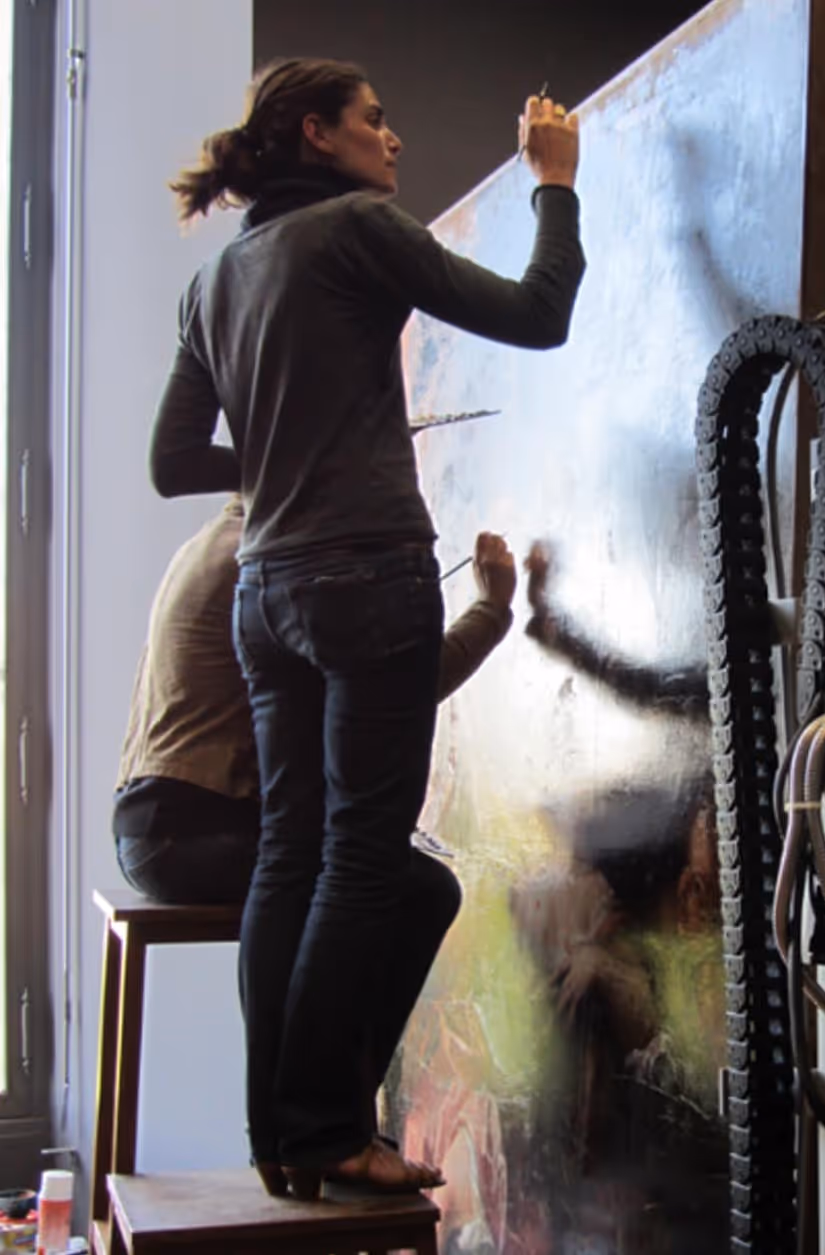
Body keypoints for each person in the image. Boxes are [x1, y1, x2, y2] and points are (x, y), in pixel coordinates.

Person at [150, 56, 584, 1198]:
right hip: (366, 577)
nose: (392, 141)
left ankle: (281, 1137)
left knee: (291, 856)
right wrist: (554, 183)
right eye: (374, 121)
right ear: (314, 133)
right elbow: (538, 316)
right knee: (355, 856)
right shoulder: (355, 229)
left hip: (267, 594)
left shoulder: (217, 283)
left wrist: (287, 446)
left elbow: (168, 462)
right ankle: (327, 1130)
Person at [114, 497, 517, 907]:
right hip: (193, 839)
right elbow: (393, 693)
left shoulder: (216, 540)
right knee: (423, 892)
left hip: (147, 833)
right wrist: (491, 609)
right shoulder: (276, 561)